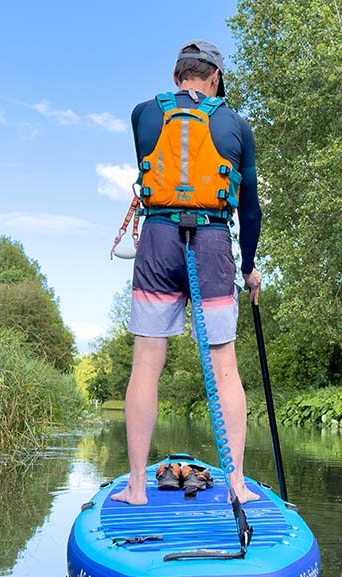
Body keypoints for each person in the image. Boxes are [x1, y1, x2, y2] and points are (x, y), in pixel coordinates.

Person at [111, 40, 262, 506]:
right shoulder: (236, 124)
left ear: (178, 74)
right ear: (214, 77)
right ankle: (236, 485)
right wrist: (251, 267)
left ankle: (136, 487)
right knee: (225, 369)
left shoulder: (142, 114)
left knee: (146, 366)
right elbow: (250, 208)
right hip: (213, 244)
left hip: (156, 241)